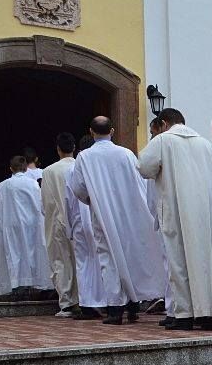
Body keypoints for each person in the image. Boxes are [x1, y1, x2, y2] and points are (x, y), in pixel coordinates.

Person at [139, 108, 212, 330]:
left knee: (179, 261)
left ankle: (184, 315)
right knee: (207, 261)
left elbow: (143, 167)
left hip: (177, 208)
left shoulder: (163, 140)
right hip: (204, 210)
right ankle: (209, 314)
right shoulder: (203, 143)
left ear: (164, 124)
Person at [68, 116, 165, 324]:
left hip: (102, 212)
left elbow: (78, 187)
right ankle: (133, 303)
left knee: (109, 258)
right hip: (127, 213)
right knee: (129, 254)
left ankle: (115, 308)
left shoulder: (84, 157)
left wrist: (91, 200)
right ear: (112, 131)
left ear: (91, 132)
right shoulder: (126, 154)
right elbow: (139, 181)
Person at [0, 155, 52, 298]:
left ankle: (17, 285)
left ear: (10, 168)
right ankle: (32, 282)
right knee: (32, 252)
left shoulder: (4, 186)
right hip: (31, 224)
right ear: (26, 169)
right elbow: (40, 204)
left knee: (14, 253)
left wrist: (1, 225)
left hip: (11, 225)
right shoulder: (33, 184)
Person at [63, 135, 105, 320]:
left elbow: (68, 199)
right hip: (100, 219)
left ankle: (88, 304)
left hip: (80, 221)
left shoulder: (73, 170)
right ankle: (107, 301)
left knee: (84, 263)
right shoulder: (100, 167)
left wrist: (69, 227)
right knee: (104, 260)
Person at [40, 133, 81, 316]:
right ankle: (85, 299)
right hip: (79, 220)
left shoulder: (49, 171)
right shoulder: (80, 166)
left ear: (58, 149)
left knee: (61, 261)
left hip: (58, 220)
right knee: (82, 260)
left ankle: (67, 302)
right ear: (74, 148)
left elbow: (46, 202)